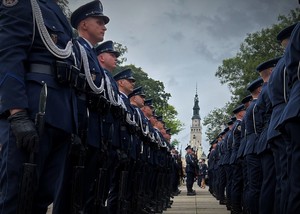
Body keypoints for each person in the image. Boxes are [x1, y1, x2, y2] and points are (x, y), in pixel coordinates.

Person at [0, 0, 80, 213]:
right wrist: (16, 112)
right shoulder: (23, 4)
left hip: (59, 115)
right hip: (34, 111)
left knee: (41, 198)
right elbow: (9, 57)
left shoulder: (57, 13)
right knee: (16, 198)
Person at [70, 1, 110, 212]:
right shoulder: (75, 49)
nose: (104, 27)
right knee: (70, 191)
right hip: (81, 128)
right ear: (84, 24)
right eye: (99, 22)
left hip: (93, 132)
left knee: (87, 189)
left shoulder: (91, 56)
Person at [267, 23, 296, 214]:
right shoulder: (286, 63)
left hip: (280, 122)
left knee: (283, 180)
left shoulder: (276, 72)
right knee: (289, 179)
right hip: (289, 117)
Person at [276, 21, 300, 213]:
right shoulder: (282, 67)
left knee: (289, 178)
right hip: (295, 110)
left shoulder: (280, 67)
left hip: (290, 114)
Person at [255, 57, 280, 214]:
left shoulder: (262, 94)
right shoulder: (269, 89)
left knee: (267, 181)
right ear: (272, 71)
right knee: (273, 181)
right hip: (273, 133)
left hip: (264, 137)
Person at [243, 77, 264, 214]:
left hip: (250, 147)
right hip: (255, 146)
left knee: (251, 185)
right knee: (255, 186)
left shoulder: (250, 109)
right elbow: (259, 127)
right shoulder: (255, 107)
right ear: (259, 89)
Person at [230, 104, 246, 214]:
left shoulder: (235, 125)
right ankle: (236, 208)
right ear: (240, 113)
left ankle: (234, 207)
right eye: (244, 111)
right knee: (237, 184)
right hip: (237, 157)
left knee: (236, 184)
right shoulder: (239, 125)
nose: (245, 112)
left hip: (234, 157)